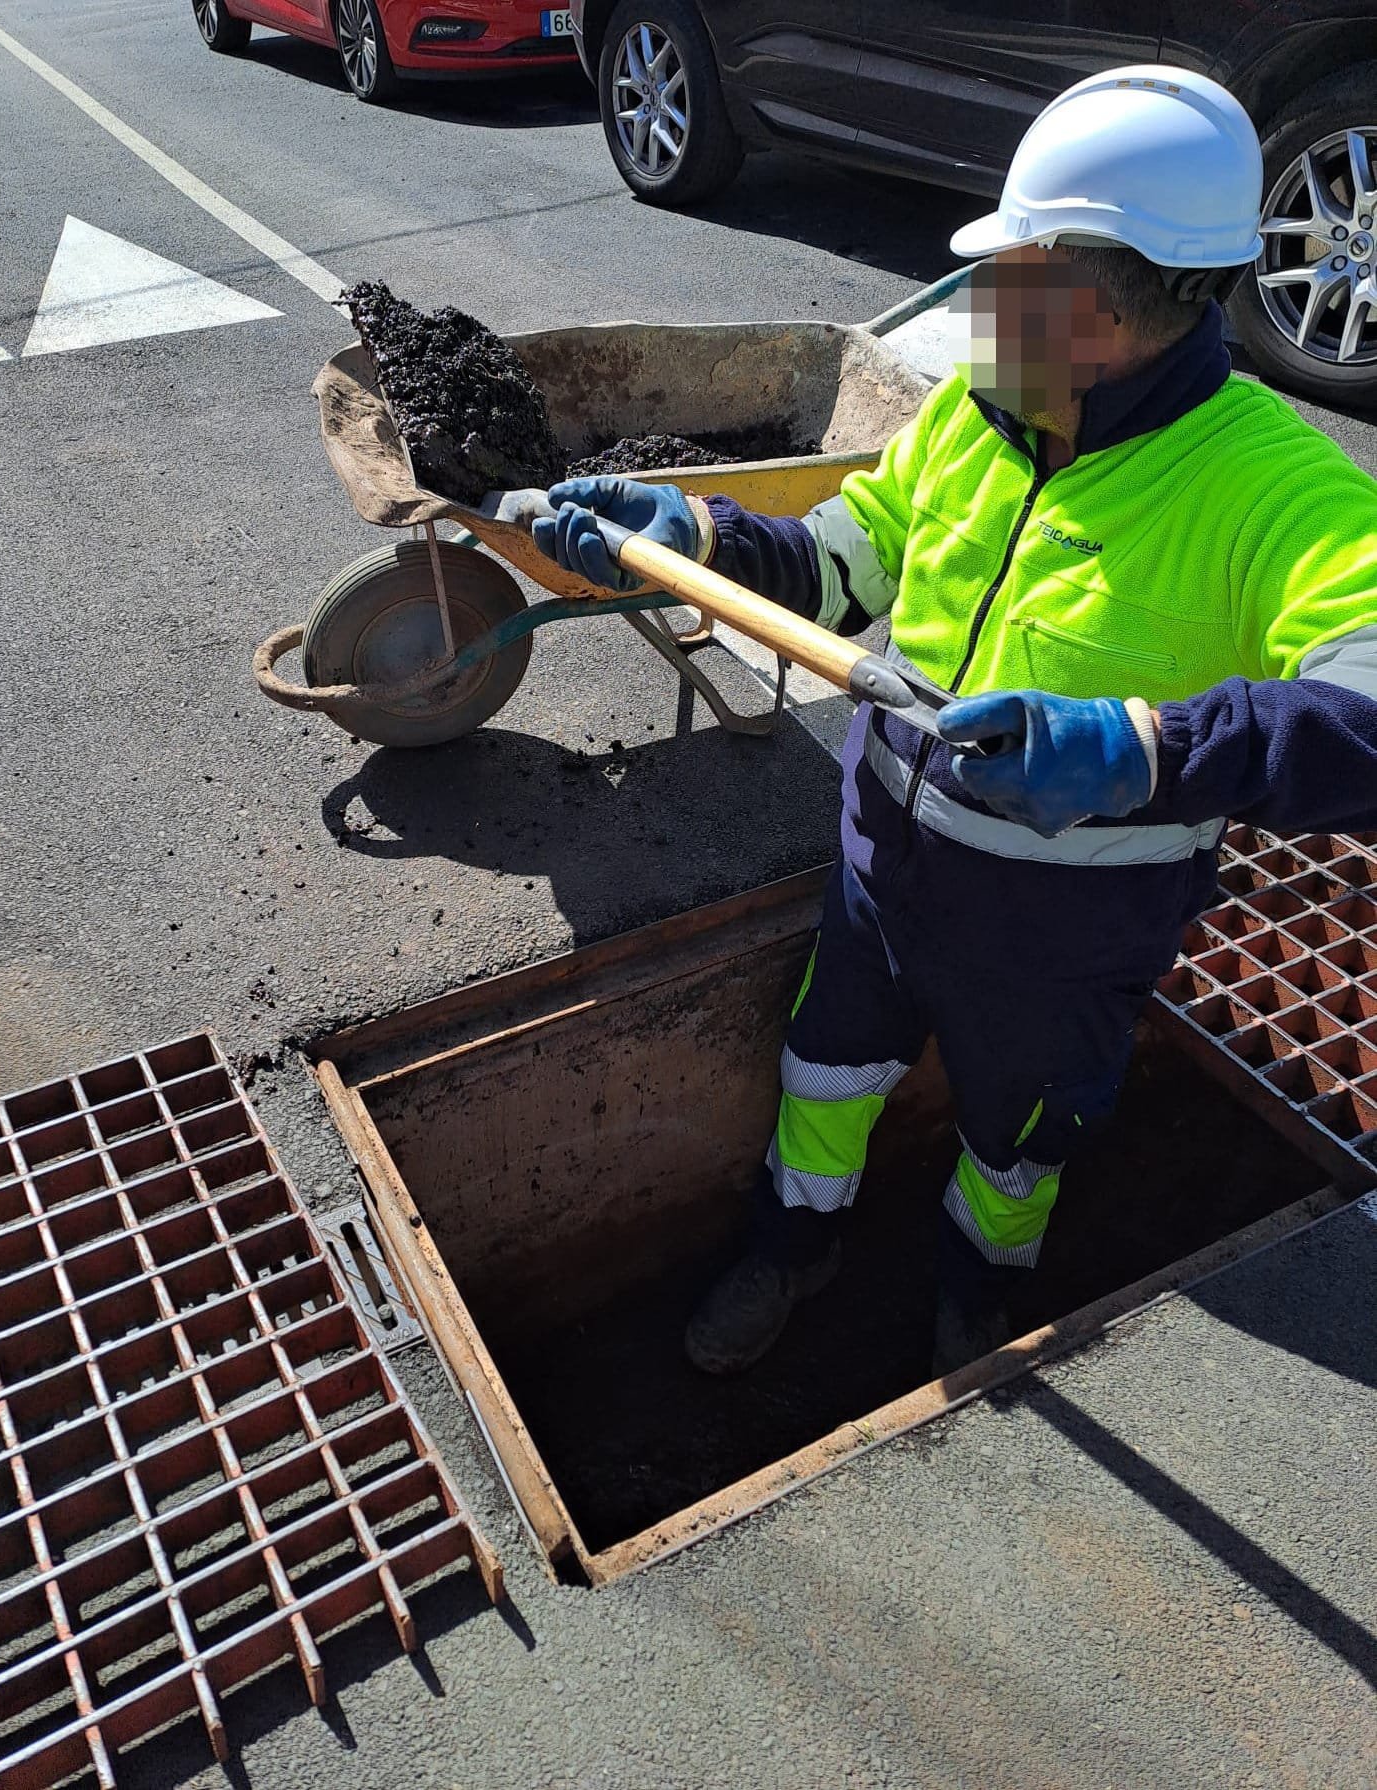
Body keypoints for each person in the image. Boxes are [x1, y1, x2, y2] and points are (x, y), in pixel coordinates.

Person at [532, 66, 1377, 1377]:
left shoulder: (1281, 494)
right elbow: (839, 561)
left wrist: (1140, 753)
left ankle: (982, 1286)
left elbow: (1364, 711)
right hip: (884, 874)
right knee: (824, 1070)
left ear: (1107, 310)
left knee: (1021, 1135)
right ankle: (790, 1246)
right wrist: (688, 531)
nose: (979, 308)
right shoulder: (974, 427)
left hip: (1065, 943)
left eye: (1011, 275)